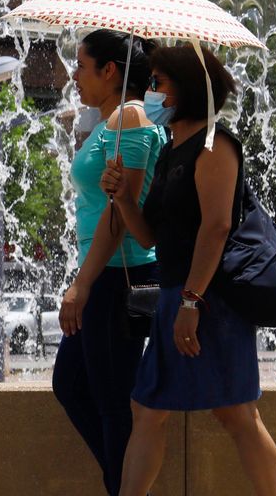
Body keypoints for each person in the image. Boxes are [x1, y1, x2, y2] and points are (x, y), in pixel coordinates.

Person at [101, 45, 276, 496]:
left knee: (237, 414)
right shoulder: (171, 151)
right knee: (148, 409)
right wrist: (123, 196)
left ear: (186, 89)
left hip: (208, 301)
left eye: (158, 84)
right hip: (176, 295)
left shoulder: (214, 146)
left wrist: (192, 300)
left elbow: (217, 227)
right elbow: (149, 238)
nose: (149, 93)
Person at [52, 29, 168, 496]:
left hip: (119, 275)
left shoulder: (130, 118)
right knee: (74, 384)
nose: (74, 76)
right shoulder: (109, 122)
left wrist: (81, 285)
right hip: (104, 273)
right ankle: (123, 487)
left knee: (111, 402)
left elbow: (121, 218)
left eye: (81, 65)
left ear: (110, 71)